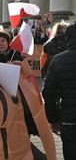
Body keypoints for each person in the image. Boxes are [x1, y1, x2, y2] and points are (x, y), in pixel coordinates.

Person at [0, 29, 39, 137]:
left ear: (7, 42)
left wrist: (20, 65)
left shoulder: (15, 54)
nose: (1, 44)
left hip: (18, 91)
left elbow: (27, 74)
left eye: (3, 41)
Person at [42, 23, 76, 160]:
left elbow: (48, 94)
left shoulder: (58, 60)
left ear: (67, 39)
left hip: (69, 120)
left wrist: (53, 119)